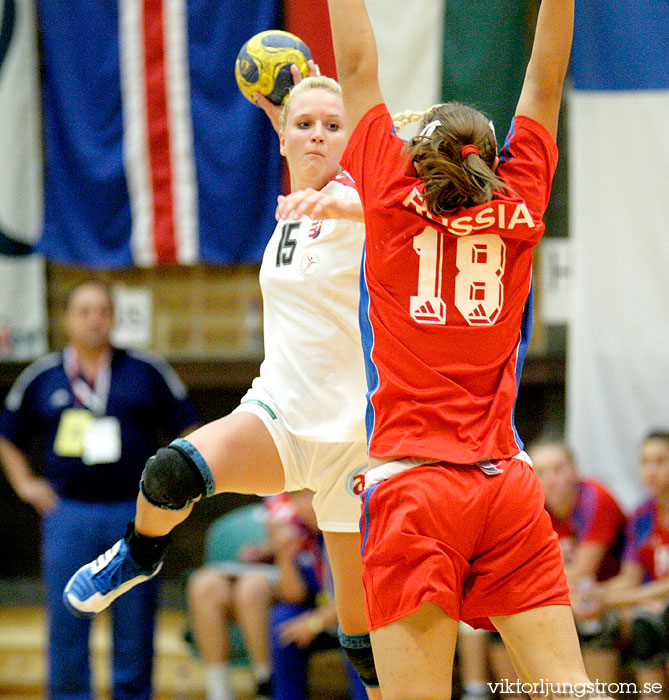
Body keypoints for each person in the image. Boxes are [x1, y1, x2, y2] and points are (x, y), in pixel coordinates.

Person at [324, 0, 610, 697]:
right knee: (568, 686)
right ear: (488, 155)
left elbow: (358, 67)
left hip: (414, 490)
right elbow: (543, 84)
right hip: (503, 483)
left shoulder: (389, 198)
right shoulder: (519, 201)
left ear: (417, 156)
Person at [63, 75, 381, 697]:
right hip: (281, 416)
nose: (318, 135)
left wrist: (359, 202)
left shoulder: (371, 199)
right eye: (303, 125)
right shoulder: (296, 197)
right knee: (167, 475)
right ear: (283, 138)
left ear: (358, 138)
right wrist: (285, 107)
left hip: (358, 441)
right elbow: (301, 138)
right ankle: (138, 554)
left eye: (334, 126)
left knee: (364, 647)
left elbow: (419, 207)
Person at [0, 279, 199, 700]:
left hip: (136, 514)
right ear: (67, 319)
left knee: (136, 619)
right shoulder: (43, 376)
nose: (94, 320)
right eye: (84, 311)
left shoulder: (145, 371)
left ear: (113, 319)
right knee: (68, 617)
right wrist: (25, 484)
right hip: (68, 513)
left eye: (103, 311)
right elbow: (7, 437)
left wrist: (177, 489)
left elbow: (191, 428)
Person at [489, 440, 626, 690]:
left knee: (590, 616)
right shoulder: (530, 506)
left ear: (574, 470)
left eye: (558, 469)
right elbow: (517, 570)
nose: (551, 479)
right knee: (499, 616)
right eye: (541, 472)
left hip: (609, 591)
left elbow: (583, 571)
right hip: (566, 593)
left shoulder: (595, 497)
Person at [577, 430, 669, 700]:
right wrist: (596, 595)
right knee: (598, 623)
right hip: (650, 602)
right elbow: (630, 577)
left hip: (657, 604)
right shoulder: (642, 515)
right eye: (645, 462)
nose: (651, 471)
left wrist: (618, 600)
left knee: (649, 622)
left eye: (660, 461)